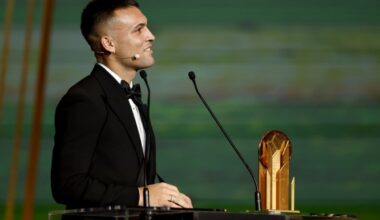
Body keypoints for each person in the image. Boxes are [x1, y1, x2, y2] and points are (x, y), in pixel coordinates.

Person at [51, 0, 192, 209]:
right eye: (139, 30)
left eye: (147, 27)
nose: (151, 36)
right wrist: (142, 196)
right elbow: (68, 185)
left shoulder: (131, 95)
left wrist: (168, 198)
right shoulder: (84, 99)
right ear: (109, 44)